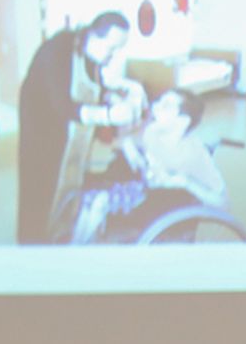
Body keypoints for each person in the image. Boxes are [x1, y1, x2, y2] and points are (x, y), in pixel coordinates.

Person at [14, 9, 140, 245]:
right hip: (42, 133)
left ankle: (60, 236)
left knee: (68, 187)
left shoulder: (91, 57)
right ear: (94, 35)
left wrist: (109, 97)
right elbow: (62, 105)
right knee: (39, 193)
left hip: (71, 137)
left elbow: (92, 88)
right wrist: (109, 115)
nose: (112, 56)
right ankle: (31, 247)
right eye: (111, 48)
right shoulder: (56, 52)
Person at [61, 89, 229, 244]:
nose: (155, 107)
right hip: (145, 195)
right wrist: (132, 151)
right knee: (91, 201)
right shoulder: (153, 132)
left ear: (182, 121)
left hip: (165, 211)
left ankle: (77, 250)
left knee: (98, 203)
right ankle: (77, 247)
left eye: (166, 106)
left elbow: (220, 200)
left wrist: (185, 182)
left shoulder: (194, 153)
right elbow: (134, 146)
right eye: (159, 101)